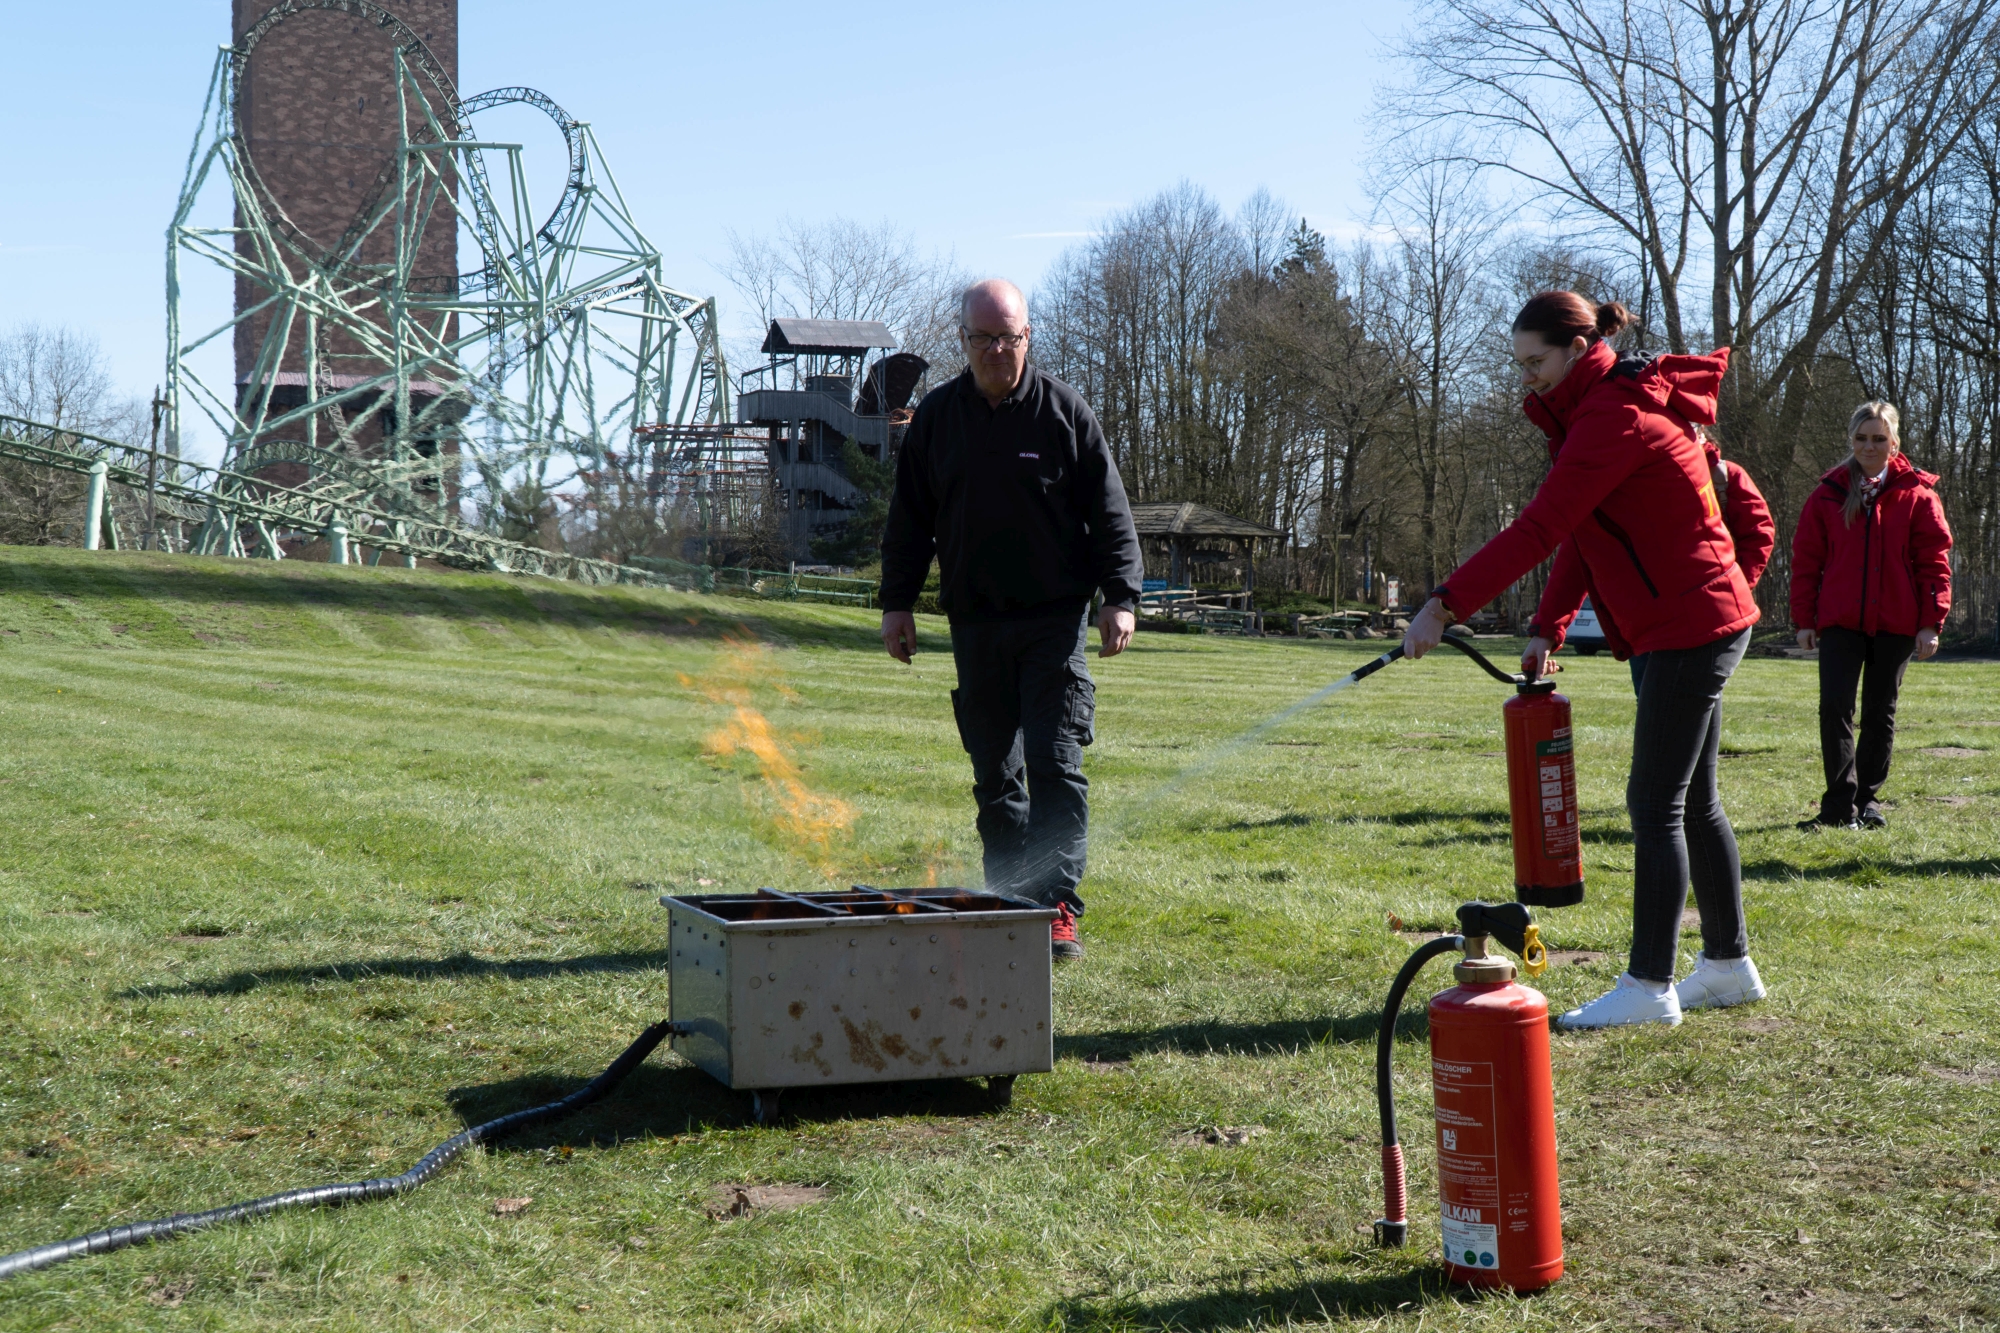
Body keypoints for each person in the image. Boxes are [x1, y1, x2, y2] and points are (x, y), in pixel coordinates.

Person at [1402, 290, 1765, 1030]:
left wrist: (1444, 603)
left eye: (1535, 362)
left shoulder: (1611, 415)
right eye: (1520, 365)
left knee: (1655, 802)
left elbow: (1540, 527)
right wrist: (1548, 626)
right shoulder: (1597, 408)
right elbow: (1585, 528)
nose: (1526, 377)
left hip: (1691, 621)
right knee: (1694, 801)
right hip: (1696, 616)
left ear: (1575, 346)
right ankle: (1728, 966)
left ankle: (1650, 984)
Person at [878, 278, 1143, 960]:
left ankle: (1056, 908)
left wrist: (1121, 596)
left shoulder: (1064, 413)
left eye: (1010, 337)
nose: (998, 349)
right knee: (995, 774)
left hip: (1053, 623)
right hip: (974, 624)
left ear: (1029, 338)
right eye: (984, 338)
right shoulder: (937, 419)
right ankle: (1008, 901)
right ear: (962, 343)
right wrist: (896, 603)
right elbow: (909, 521)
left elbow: (1110, 511)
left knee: (1056, 766)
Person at [1789, 402, 1952, 832]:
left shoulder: (1918, 495)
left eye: (1879, 438)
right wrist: (1804, 619)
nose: (1869, 446)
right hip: (1840, 622)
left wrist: (1930, 623)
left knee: (1881, 713)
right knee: (1835, 709)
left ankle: (1868, 800)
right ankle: (1838, 807)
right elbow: (1806, 561)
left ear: (1894, 443)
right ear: (1851, 440)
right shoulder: (1827, 493)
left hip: (1897, 624)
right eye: (1862, 438)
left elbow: (1934, 564)